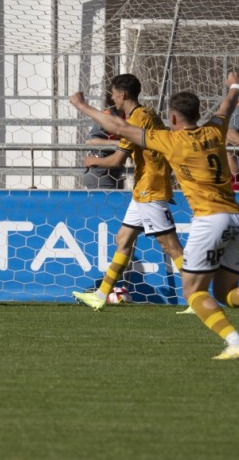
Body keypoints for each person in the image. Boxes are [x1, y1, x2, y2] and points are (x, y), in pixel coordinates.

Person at [70, 71, 239, 360]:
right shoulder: (215, 129)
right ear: (199, 114)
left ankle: (236, 342)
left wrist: (82, 106)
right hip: (237, 217)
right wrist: (234, 85)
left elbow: (118, 127)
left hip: (210, 219)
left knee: (194, 292)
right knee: (226, 292)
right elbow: (227, 105)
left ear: (174, 118)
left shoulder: (171, 141)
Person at [72, 74, 184, 311]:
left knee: (171, 247)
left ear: (122, 95)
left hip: (150, 190)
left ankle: (199, 298)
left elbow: (116, 160)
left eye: (114, 94)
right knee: (123, 239)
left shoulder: (136, 120)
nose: (113, 98)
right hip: (143, 189)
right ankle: (101, 295)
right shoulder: (146, 113)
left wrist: (93, 160)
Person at [82, 93, 125, 190]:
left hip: (114, 170)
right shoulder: (107, 117)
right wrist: (116, 143)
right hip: (101, 172)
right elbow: (89, 141)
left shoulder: (127, 116)